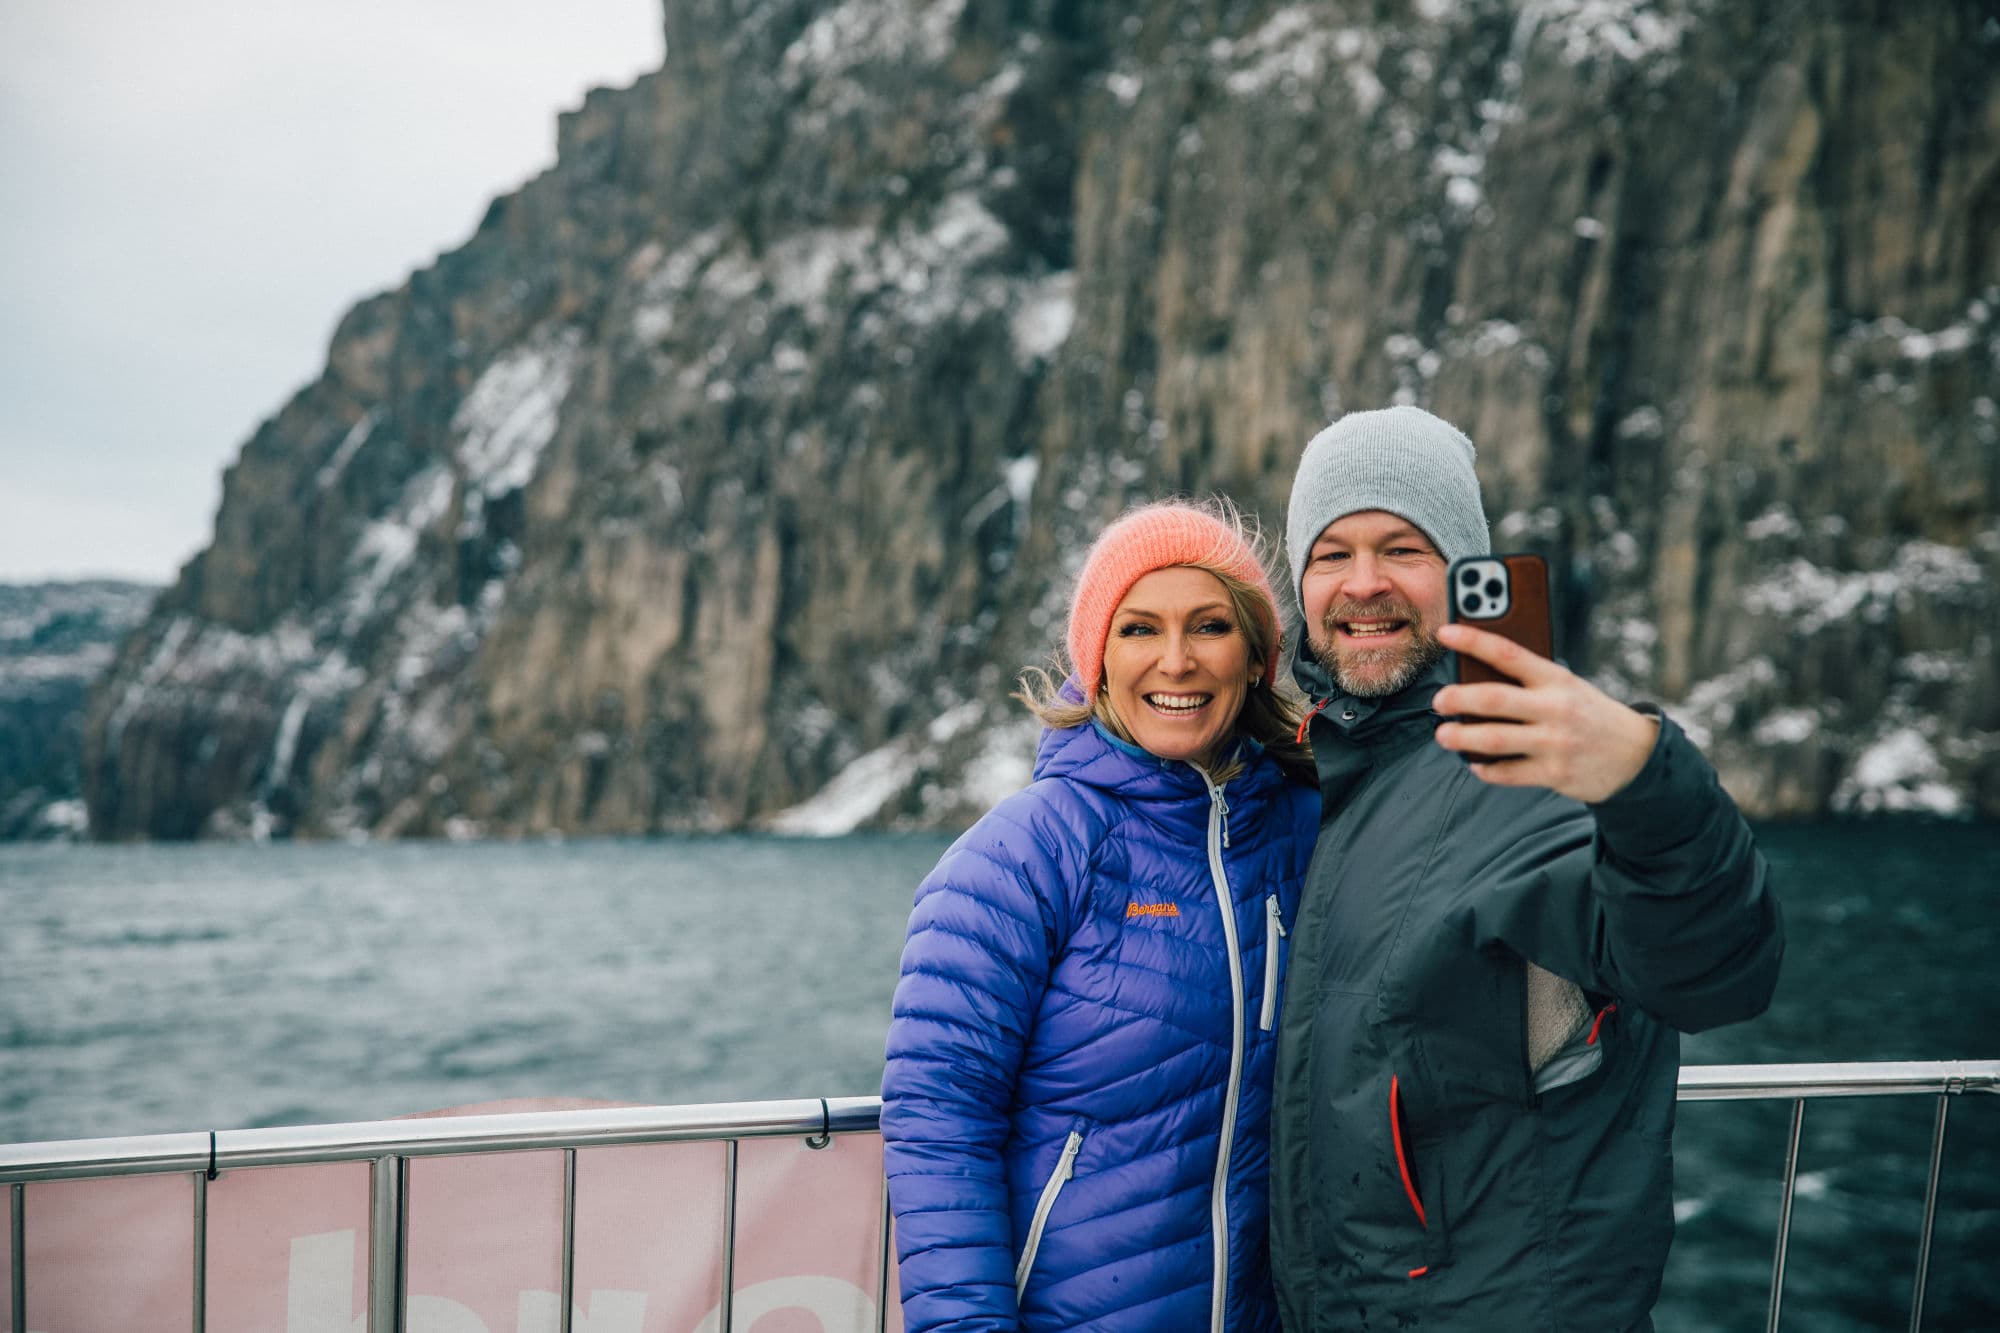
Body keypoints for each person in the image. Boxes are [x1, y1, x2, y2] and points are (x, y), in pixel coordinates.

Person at [1269, 406, 1784, 1332]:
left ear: (1468, 574)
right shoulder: (1341, 774)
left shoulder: (1533, 769)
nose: (1364, 583)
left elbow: (1715, 969)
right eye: (1331, 553)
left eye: (1403, 548)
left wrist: (1642, 780)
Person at [881, 500, 1322, 1332]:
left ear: (1257, 654)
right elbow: (938, 1118)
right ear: (1099, 658)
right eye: (1139, 629)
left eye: (1210, 626)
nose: (1177, 660)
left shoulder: (1309, 828)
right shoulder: (1022, 853)